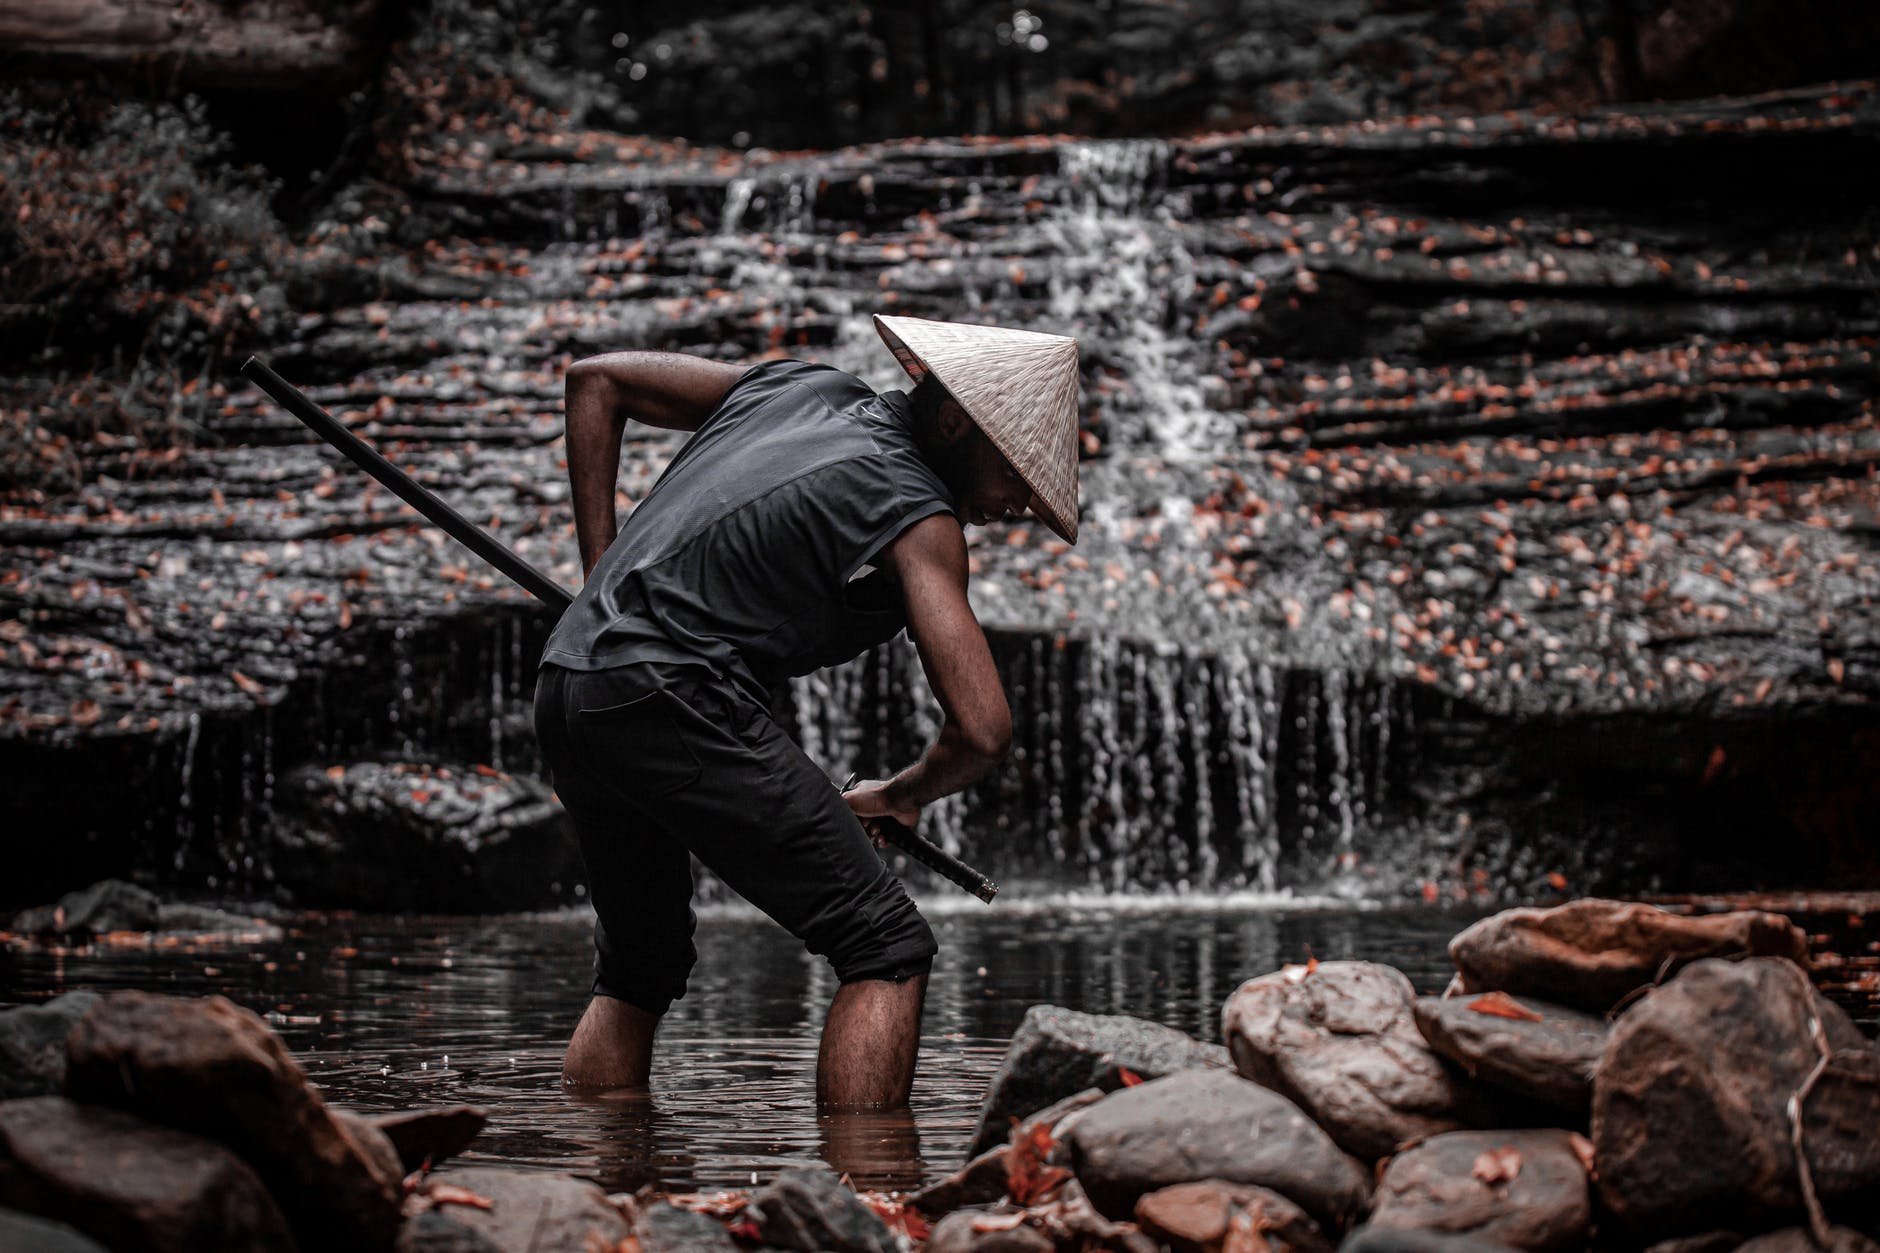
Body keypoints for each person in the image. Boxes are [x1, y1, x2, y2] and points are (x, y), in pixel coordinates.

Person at [532, 314, 1081, 1107]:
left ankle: (600, 1166)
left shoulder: (798, 386)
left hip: (572, 680)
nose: (1021, 501)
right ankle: (868, 1174)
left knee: (640, 964)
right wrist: (903, 794)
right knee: (885, 942)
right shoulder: (921, 518)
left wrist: (599, 583)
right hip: (672, 691)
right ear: (953, 421)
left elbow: (597, 381)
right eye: (1016, 470)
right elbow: (984, 730)